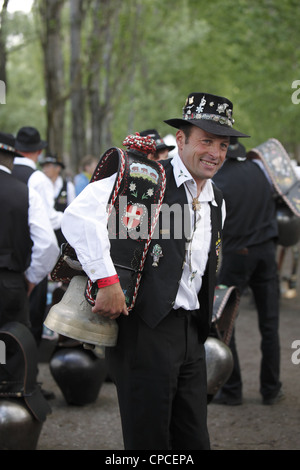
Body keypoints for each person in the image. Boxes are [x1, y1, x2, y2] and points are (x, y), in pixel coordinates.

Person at [61, 92, 249, 450]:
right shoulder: (146, 180)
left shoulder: (217, 200)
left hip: (192, 334)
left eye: (223, 145)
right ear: (181, 140)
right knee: (148, 441)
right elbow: (78, 217)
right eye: (206, 141)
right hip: (144, 332)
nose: (216, 153)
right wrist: (107, 280)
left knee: (194, 439)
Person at [212, 137, 282, 406]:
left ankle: (231, 389)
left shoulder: (219, 179)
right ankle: (271, 388)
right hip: (266, 252)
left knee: (226, 323)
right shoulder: (260, 172)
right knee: (270, 324)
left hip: (236, 254)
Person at [0, 132, 59, 328]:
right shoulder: (27, 194)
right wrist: (31, 278)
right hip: (9, 282)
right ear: (12, 160)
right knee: (12, 347)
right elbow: (48, 244)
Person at [12, 126, 62, 345]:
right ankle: (25, 376)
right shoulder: (38, 179)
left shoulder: (6, 174)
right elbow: (48, 221)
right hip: (30, 260)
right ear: (38, 152)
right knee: (28, 321)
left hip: (7, 257)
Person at [41, 153, 76, 246]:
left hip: (62, 233)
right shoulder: (41, 186)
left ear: (58, 168)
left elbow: (72, 211)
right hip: (45, 231)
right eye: (43, 166)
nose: (45, 169)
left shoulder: (68, 186)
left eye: (48, 166)